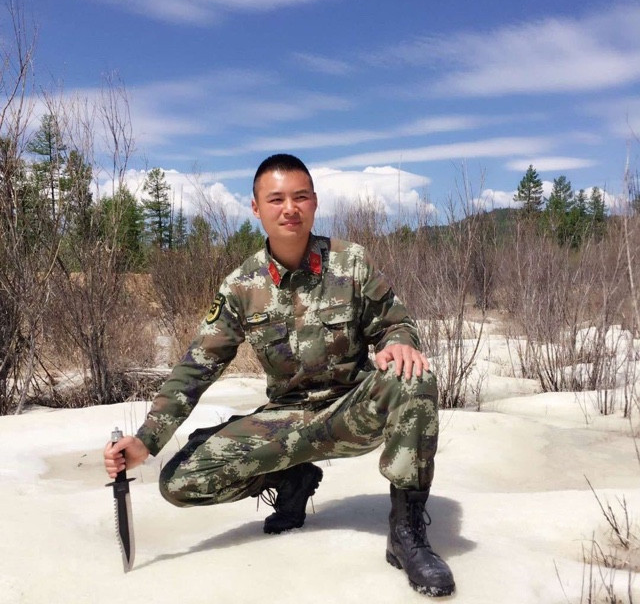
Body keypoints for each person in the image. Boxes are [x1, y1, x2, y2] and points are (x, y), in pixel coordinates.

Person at [104, 154, 455, 597]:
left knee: (414, 376)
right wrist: (146, 440)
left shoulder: (350, 263)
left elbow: (395, 323)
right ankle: (291, 479)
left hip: (353, 411)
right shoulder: (241, 286)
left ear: (314, 203)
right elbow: (195, 368)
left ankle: (407, 532)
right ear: (256, 208)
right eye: (276, 199)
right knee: (179, 481)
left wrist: (399, 342)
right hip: (287, 421)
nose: (290, 208)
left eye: (300, 197)